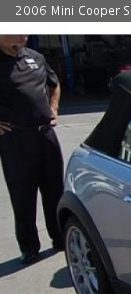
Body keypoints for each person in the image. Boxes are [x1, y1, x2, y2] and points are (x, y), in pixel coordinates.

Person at [0, 34, 64, 264]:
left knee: (55, 189)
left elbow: (54, 84)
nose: (23, 35)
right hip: (16, 139)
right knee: (22, 194)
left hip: (45, 134)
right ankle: (29, 246)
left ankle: (60, 238)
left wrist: (54, 108)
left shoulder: (36, 57)